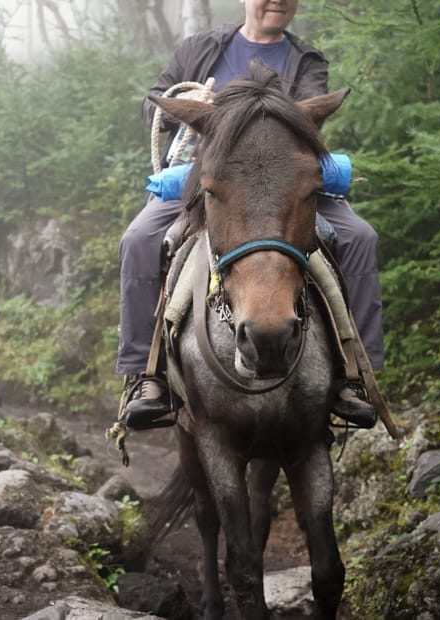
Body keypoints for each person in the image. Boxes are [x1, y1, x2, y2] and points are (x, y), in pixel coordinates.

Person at [117, 0, 384, 429]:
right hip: (208, 180)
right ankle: (145, 377)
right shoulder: (199, 48)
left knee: (358, 236)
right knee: (138, 239)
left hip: (281, 185)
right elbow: (152, 106)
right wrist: (186, 98)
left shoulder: (307, 60)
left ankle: (354, 376)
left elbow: (305, 123)